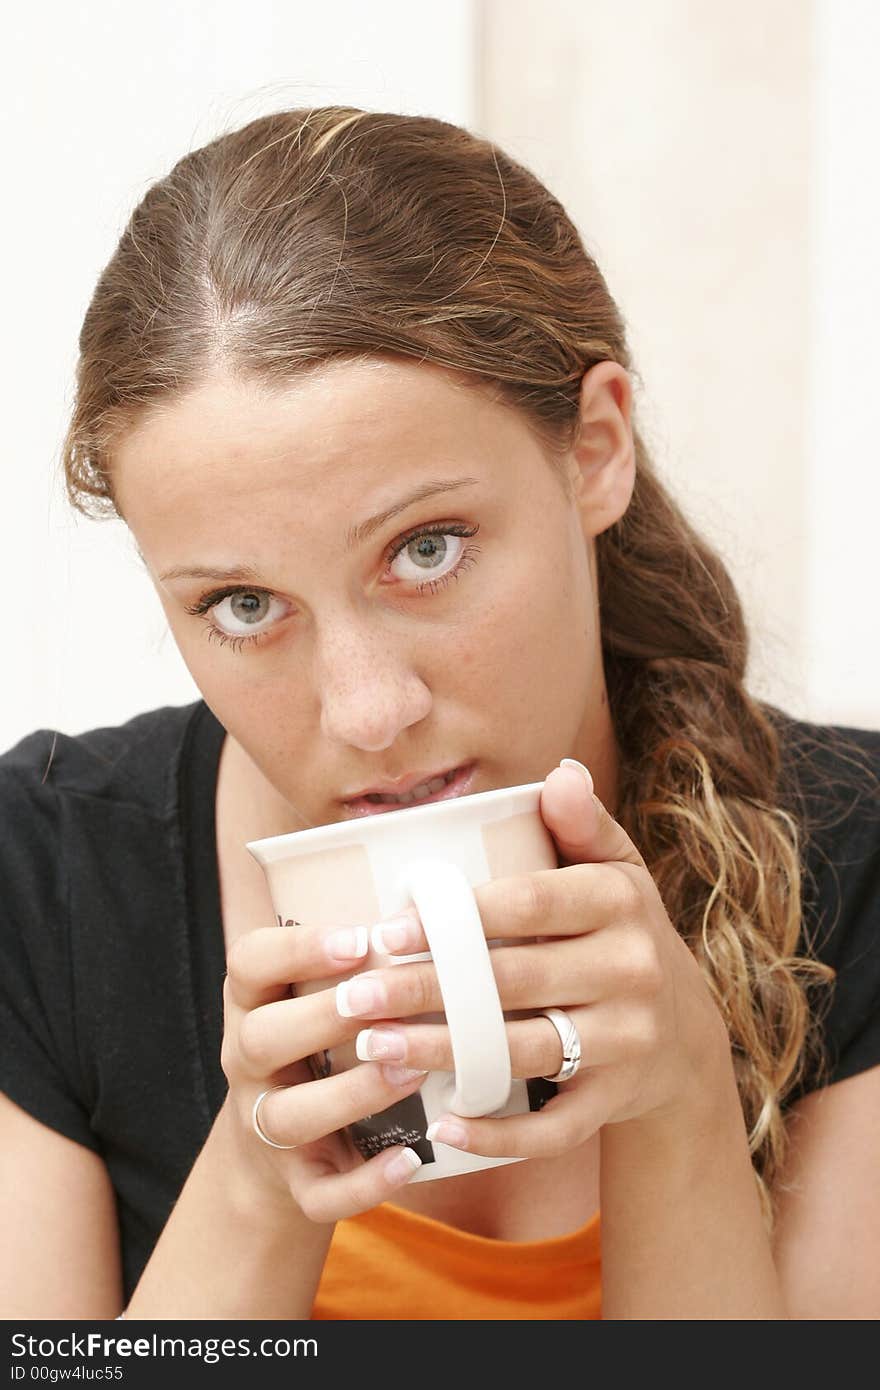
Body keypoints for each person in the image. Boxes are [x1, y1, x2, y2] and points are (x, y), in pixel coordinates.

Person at [1, 106, 878, 1323]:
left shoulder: (854, 854)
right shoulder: (45, 883)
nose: (368, 713)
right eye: (245, 603)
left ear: (595, 450)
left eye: (427, 548)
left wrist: (680, 1103)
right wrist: (257, 1182)